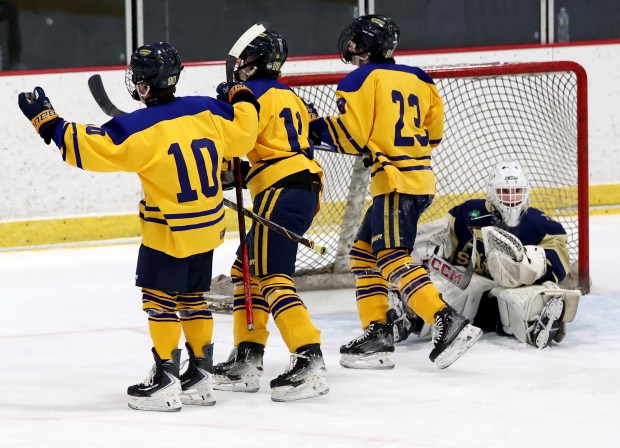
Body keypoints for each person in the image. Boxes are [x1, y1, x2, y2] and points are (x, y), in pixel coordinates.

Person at [17, 42, 260, 411]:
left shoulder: (138, 126)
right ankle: (201, 376)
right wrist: (241, 94)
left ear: (145, 85)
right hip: (209, 227)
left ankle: (165, 380)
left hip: (169, 229)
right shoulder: (209, 109)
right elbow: (245, 130)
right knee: (193, 299)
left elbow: (90, 148)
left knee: (159, 300)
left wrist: (48, 121)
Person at [309, 14, 482, 370]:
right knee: (362, 254)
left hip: (395, 182)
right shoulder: (421, 79)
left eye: (356, 42)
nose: (351, 48)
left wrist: (311, 130)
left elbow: (351, 136)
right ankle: (378, 332)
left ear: (367, 46)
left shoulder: (358, 79)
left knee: (390, 257)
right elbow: (433, 135)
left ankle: (446, 320)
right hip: (419, 179)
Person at [212, 28, 328, 402]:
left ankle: (310, 358)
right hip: (300, 188)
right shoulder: (291, 96)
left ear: (252, 62)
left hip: (281, 191)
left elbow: (238, 149)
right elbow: (269, 148)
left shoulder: (251, 97)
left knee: (271, 275)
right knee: (245, 269)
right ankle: (248, 355)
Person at [396, 160, 581, 348]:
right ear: (492, 191)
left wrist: (530, 264)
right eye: (505, 192)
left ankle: (539, 324)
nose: (511, 198)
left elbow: (558, 258)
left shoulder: (540, 224)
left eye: (516, 191)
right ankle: (410, 316)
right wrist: (429, 248)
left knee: (530, 295)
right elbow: (443, 232)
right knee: (446, 286)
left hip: (511, 290)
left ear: (526, 191)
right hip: (471, 285)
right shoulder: (468, 213)